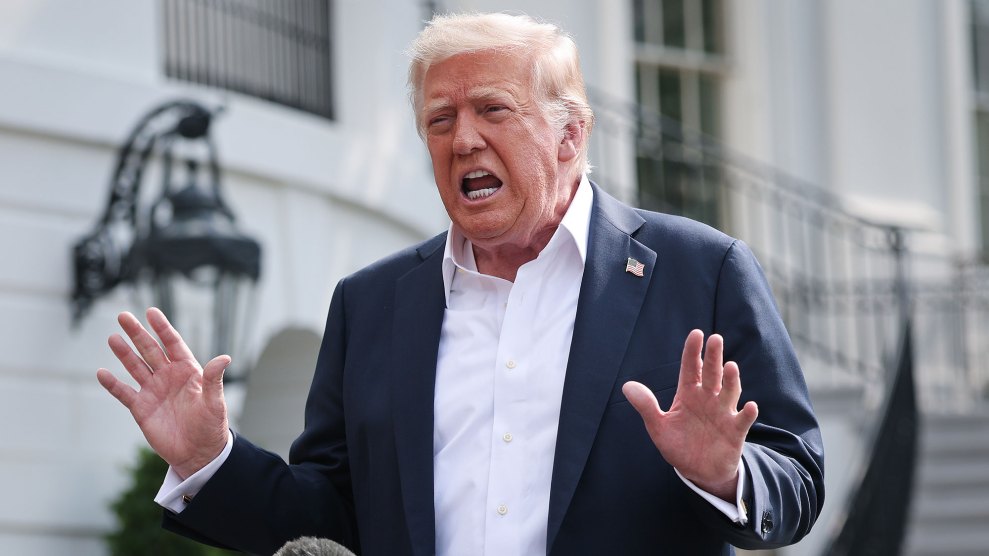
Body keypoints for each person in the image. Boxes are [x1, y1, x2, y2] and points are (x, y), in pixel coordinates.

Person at [97, 12, 824, 556]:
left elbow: (795, 478)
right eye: (438, 120)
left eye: (492, 110)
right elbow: (332, 516)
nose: (462, 140)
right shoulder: (372, 304)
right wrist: (207, 462)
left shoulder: (699, 270)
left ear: (570, 135)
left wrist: (727, 474)